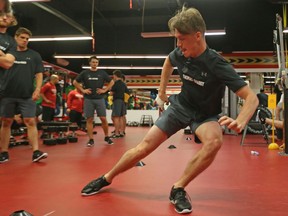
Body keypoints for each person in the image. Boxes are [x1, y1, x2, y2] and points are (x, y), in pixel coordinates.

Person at [80, 7, 258, 214]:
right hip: (180, 107)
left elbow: (250, 97)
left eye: (182, 39)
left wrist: (242, 119)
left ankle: (178, 188)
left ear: (198, 35)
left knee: (215, 141)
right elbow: (167, 62)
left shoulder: (217, 64)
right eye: (177, 39)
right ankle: (106, 178)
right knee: (144, 147)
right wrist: (162, 93)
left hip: (204, 115)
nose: (178, 44)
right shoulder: (180, 53)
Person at [0, 27, 48, 163]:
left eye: (27, 39)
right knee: (6, 122)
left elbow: (39, 74)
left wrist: (38, 89)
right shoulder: (8, 53)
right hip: (8, 94)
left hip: (27, 95)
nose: (25, 40)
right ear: (16, 37)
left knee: (31, 121)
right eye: (22, 37)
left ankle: (36, 152)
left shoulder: (34, 55)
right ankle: (3, 152)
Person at [73, 56, 114, 146]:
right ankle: (91, 139)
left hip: (100, 99)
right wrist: (83, 90)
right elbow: (75, 82)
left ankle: (107, 137)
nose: (95, 64)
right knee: (89, 119)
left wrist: (105, 90)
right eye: (93, 62)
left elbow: (111, 82)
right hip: (88, 99)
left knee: (103, 118)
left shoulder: (102, 73)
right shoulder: (85, 73)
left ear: (98, 63)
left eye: (96, 62)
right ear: (90, 63)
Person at [110, 70, 129, 138]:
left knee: (116, 117)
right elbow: (127, 92)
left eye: (113, 76)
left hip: (117, 100)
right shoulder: (124, 84)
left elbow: (111, 93)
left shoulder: (115, 83)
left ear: (115, 75)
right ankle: (121, 132)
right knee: (121, 117)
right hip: (123, 101)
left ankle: (117, 133)